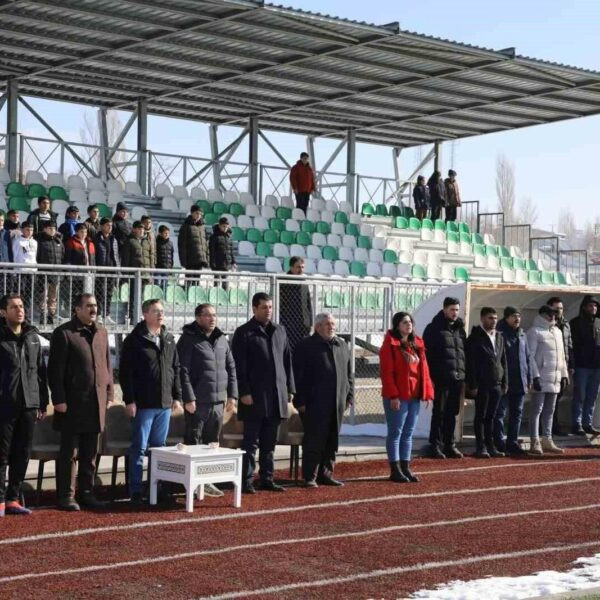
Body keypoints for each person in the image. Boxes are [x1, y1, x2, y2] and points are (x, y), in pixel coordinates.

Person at [48, 293, 113, 511]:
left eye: (95, 305)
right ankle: (66, 496)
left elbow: (106, 366)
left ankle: (86, 492)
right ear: (77, 309)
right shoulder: (64, 333)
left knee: (90, 453)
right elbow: (54, 371)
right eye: (88, 306)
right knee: (69, 454)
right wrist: (58, 399)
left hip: (96, 404)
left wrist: (109, 393)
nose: (93, 309)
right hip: (72, 404)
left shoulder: (102, 332)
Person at [119, 299, 183, 505]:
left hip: (164, 404)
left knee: (159, 448)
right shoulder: (134, 340)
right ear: (145, 314)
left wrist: (177, 396)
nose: (160, 314)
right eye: (156, 311)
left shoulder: (169, 338)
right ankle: (136, 489)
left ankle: (157, 487)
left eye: (162, 311)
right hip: (144, 404)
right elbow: (126, 373)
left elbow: (176, 369)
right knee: (139, 447)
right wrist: (129, 400)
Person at [231, 292, 295, 494]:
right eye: (264, 307)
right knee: (251, 443)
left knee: (270, 442)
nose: (268, 311)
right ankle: (246, 480)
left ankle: (267, 478)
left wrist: (290, 389)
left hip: (276, 396)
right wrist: (244, 392)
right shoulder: (243, 333)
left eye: (270, 307)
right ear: (254, 309)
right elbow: (238, 366)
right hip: (254, 397)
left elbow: (287, 361)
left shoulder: (280, 331)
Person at [177, 303, 237, 497]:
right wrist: (188, 397)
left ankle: (207, 481)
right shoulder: (188, 340)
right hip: (198, 401)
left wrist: (232, 395)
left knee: (212, 444)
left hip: (218, 401)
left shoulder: (222, 339)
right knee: (194, 442)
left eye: (214, 315)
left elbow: (231, 368)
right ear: (198, 318)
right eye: (208, 315)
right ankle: (192, 484)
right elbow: (182, 371)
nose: (212, 319)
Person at [0, 293, 48, 517]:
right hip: (5, 405)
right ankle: (0, 500)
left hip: (29, 405)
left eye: (21, 306)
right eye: (13, 307)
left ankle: (12, 498)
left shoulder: (33, 337)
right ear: (3, 312)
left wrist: (42, 402)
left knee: (22, 453)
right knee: (1, 454)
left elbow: (40, 372)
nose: (19, 310)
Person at [293, 313, 353, 487]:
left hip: (338, 403)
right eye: (327, 324)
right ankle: (310, 476)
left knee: (332, 440)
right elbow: (298, 376)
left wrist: (349, 396)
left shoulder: (342, 345)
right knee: (314, 440)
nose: (331, 327)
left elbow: (349, 374)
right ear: (317, 326)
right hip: (314, 403)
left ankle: (326, 474)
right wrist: (300, 401)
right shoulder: (306, 346)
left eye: (333, 323)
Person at [379, 311, 433, 483]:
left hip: (414, 396)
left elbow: (424, 371)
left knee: (408, 433)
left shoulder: (417, 344)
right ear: (397, 326)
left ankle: (405, 467)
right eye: (404, 322)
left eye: (410, 322)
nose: (408, 325)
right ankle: (395, 469)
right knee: (396, 432)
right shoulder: (390, 346)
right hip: (398, 396)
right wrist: (393, 396)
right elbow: (387, 373)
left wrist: (427, 392)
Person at [423, 296, 466, 459]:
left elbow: (463, 353)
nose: (455, 313)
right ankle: (435, 444)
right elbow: (426, 355)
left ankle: (450, 444)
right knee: (439, 412)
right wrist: (430, 378)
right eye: (452, 309)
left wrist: (463, 375)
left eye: (457, 309)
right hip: (441, 378)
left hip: (457, 378)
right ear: (444, 309)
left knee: (452, 413)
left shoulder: (460, 329)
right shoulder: (433, 328)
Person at [466, 307, 508, 458]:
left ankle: (491, 446)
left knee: (492, 416)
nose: (494, 321)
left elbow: (504, 361)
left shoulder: (500, 337)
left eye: (495, 318)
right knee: (481, 416)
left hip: (496, 383)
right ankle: (480, 446)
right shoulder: (475, 338)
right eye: (490, 318)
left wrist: (505, 383)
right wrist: (473, 384)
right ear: (482, 319)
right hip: (482, 384)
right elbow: (470, 363)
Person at [527, 305, 569, 456]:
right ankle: (535, 440)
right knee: (536, 410)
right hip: (541, 377)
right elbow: (530, 356)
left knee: (550, 411)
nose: (552, 316)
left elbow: (562, 355)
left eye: (554, 314)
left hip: (555, 377)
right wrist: (535, 376)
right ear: (542, 314)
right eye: (549, 314)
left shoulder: (557, 331)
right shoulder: (534, 331)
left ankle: (547, 439)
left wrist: (564, 374)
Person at [495, 306, 532, 455]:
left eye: (518, 316)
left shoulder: (522, 334)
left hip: (520, 381)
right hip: (505, 382)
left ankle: (513, 442)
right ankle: (499, 442)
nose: (517, 319)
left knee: (517, 413)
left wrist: (528, 377)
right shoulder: (500, 334)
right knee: (500, 413)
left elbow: (527, 358)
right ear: (506, 318)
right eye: (513, 316)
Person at [569, 295, 600, 435]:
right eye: (590, 305)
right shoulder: (575, 323)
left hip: (597, 367)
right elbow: (572, 346)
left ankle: (587, 423)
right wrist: (573, 364)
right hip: (582, 366)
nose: (593, 308)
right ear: (584, 307)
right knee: (579, 396)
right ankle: (577, 424)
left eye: (595, 306)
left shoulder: (599, 322)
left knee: (592, 396)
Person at [548, 296, 574, 436]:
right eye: (556, 308)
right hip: (549, 368)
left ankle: (554, 426)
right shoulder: (547, 323)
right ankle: (547, 427)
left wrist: (571, 366)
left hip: (563, 367)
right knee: (549, 400)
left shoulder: (566, 324)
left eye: (561, 308)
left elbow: (570, 346)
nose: (559, 311)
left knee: (558, 398)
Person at [279, 256, 313, 352]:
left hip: (303, 324)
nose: (301, 270)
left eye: (302, 267)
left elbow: (308, 303)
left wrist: (311, 321)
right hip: (288, 323)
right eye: (298, 267)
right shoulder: (282, 281)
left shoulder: (304, 282)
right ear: (291, 267)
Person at [122, 221, 153, 322]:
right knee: (133, 296)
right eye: (139, 228)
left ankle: (139, 314)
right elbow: (125, 258)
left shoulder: (146, 241)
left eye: (142, 229)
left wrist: (150, 273)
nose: (141, 230)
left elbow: (150, 257)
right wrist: (126, 274)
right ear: (134, 229)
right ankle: (132, 316)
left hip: (144, 274)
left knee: (141, 296)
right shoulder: (129, 241)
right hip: (134, 274)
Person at [35, 220, 64, 324]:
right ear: (45, 229)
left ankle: (51, 315)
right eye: (50, 228)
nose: (53, 230)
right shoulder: (40, 241)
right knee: (43, 296)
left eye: (54, 229)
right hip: (43, 274)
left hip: (55, 274)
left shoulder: (58, 241)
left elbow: (62, 256)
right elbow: (37, 257)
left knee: (53, 297)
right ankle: (43, 315)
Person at [94, 218, 120, 323]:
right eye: (107, 225)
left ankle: (107, 314)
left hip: (111, 270)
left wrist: (117, 268)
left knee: (109, 293)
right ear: (101, 226)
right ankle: (99, 314)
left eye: (111, 225)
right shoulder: (96, 238)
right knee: (99, 292)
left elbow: (116, 255)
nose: (110, 227)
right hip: (100, 270)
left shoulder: (113, 239)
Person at [64, 223, 95, 311]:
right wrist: (68, 272)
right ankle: (74, 311)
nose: (84, 234)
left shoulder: (90, 243)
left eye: (85, 232)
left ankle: (85, 311)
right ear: (76, 232)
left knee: (87, 295)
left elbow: (93, 259)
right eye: (81, 232)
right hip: (76, 274)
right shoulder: (71, 242)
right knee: (76, 295)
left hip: (88, 274)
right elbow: (67, 259)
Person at [11, 222, 37, 318]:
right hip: (21, 271)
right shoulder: (18, 241)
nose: (29, 232)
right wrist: (15, 270)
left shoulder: (34, 242)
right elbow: (15, 255)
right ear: (22, 230)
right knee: (20, 292)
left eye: (31, 230)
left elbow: (34, 256)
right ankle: (19, 312)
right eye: (27, 229)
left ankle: (26, 313)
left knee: (29, 293)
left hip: (32, 271)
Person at [178, 205, 209, 271]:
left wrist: (206, 259)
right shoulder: (185, 226)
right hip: (190, 261)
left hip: (200, 261)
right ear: (192, 213)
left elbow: (205, 245)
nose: (199, 215)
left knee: (197, 280)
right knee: (189, 280)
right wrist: (183, 261)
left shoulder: (203, 227)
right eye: (197, 213)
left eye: (200, 214)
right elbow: (182, 245)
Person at [209, 217, 235, 291]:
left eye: (227, 227)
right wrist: (212, 263)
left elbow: (231, 251)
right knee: (216, 282)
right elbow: (212, 251)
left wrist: (233, 261)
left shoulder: (229, 237)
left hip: (226, 263)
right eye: (223, 226)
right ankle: (215, 297)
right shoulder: (214, 237)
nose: (225, 228)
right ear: (219, 226)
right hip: (217, 263)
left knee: (225, 282)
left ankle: (225, 296)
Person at [156, 225, 174, 292]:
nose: (167, 234)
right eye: (165, 233)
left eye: (168, 233)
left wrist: (171, 266)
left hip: (167, 268)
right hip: (158, 267)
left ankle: (162, 299)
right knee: (157, 284)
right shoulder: (156, 242)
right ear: (160, 233)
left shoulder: (170, 243)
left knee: (164, 285)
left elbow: (171, 256)